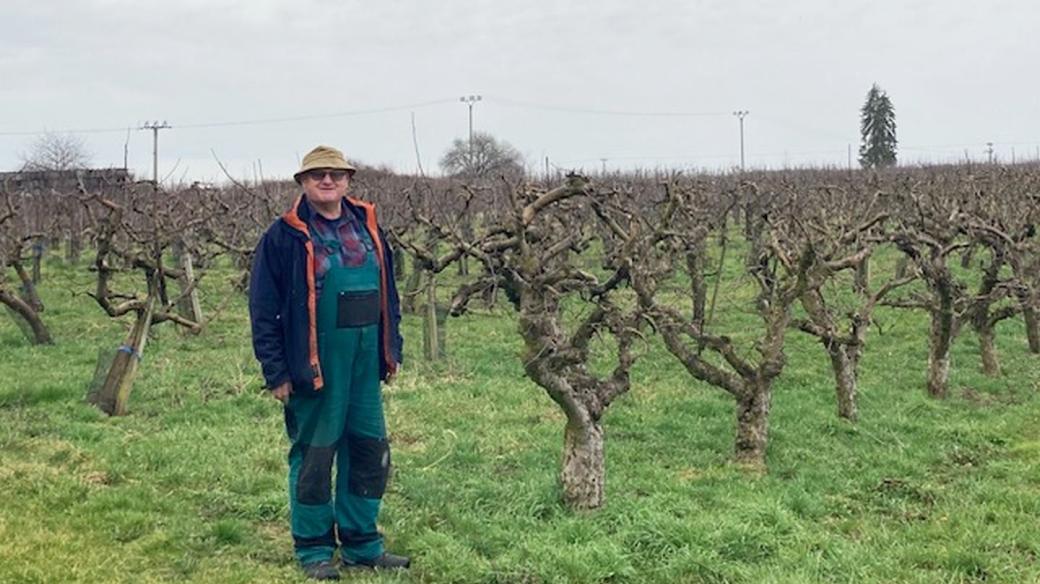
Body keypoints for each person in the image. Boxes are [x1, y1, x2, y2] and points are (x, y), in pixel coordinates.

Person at [249, 145, 406, 580]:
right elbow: (263, 308)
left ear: (348, 179)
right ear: (302, 182)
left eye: (335, 174)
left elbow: (388, 292)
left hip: (363, 362)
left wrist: (391, 350)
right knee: (316, 455)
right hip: (315, 364)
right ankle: (314, 549)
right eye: (317, 174)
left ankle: (362, 544)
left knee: (369, 451)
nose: (327, 181)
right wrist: (276, 370)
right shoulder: (284, 236)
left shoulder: (368, 226)